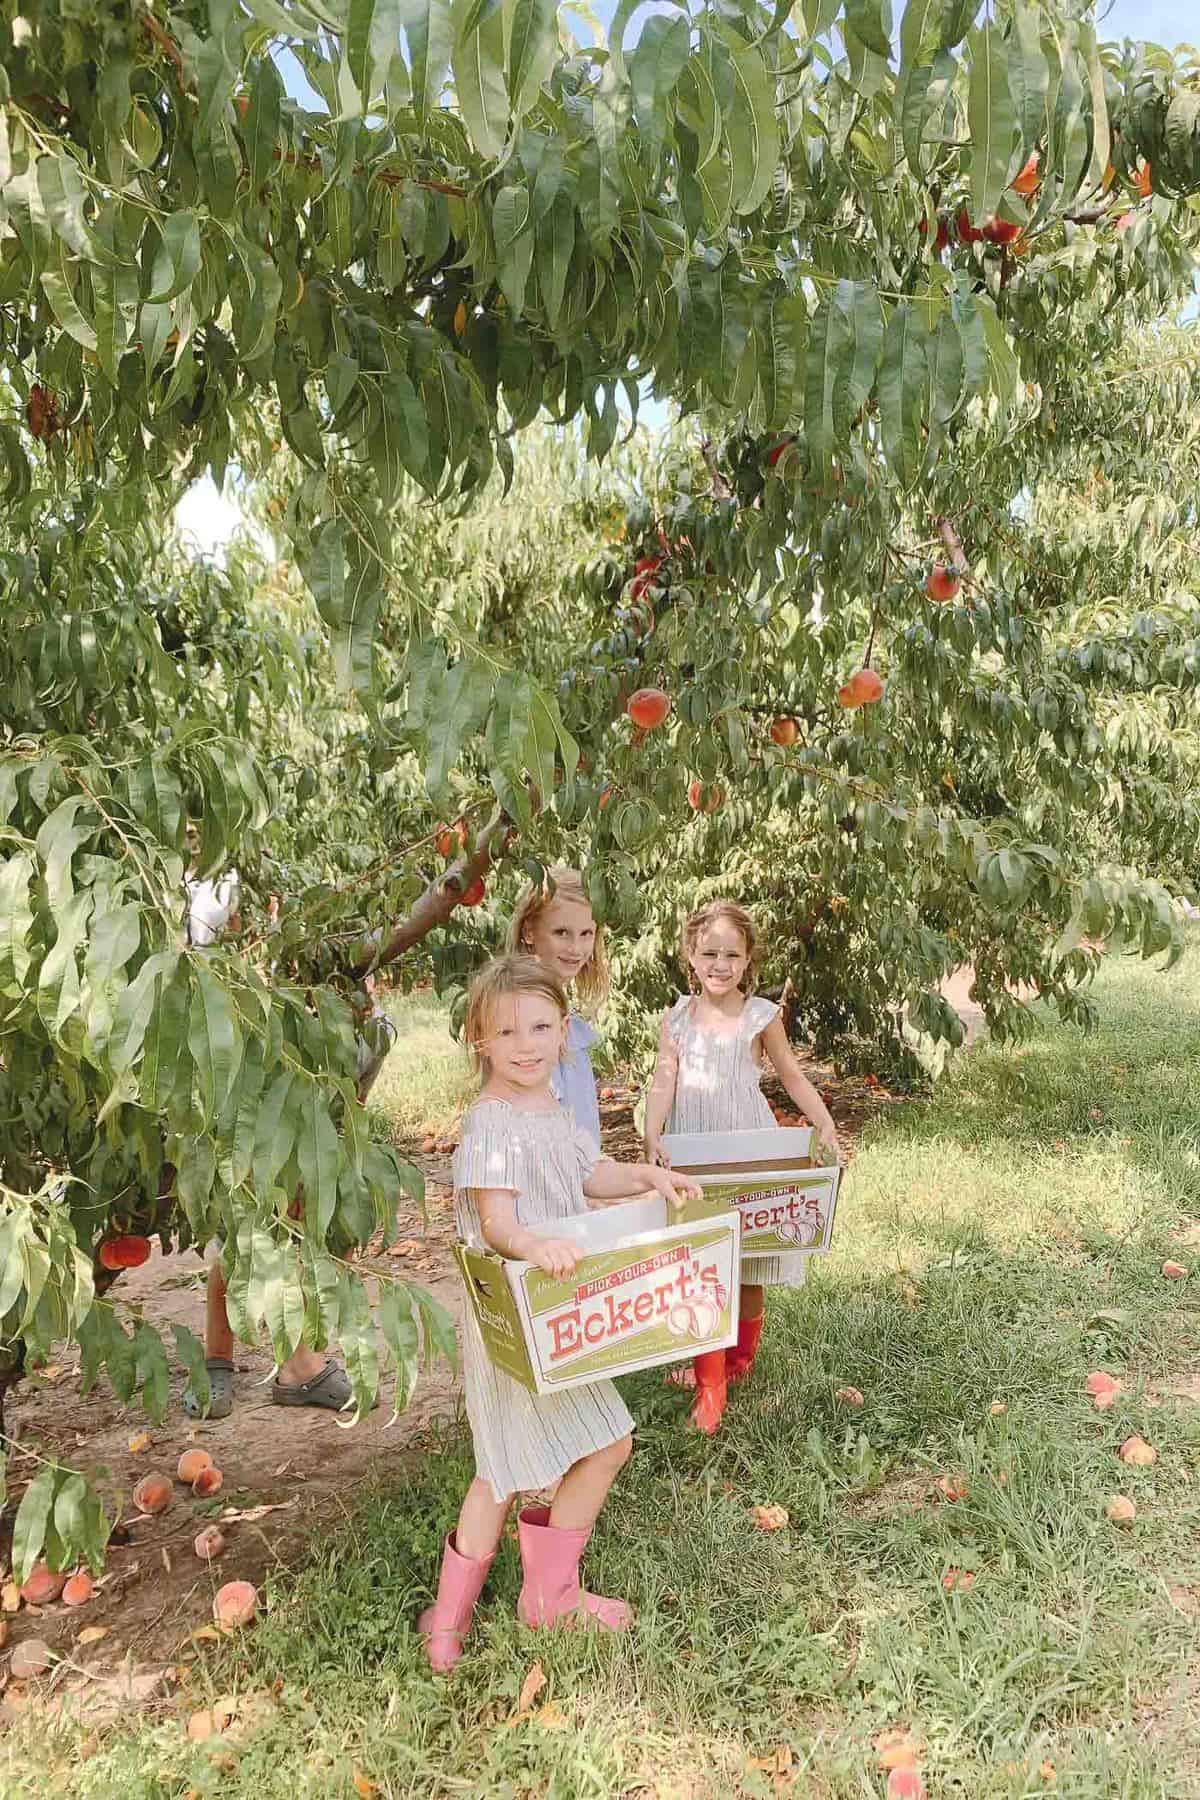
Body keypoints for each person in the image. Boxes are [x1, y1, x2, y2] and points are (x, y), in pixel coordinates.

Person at [418, 954, 699, 1673]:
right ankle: (489, 1610)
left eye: (541, 1026)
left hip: (555, 1308)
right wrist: (535, 1244)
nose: (527, 1044)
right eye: (506, 1031)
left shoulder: (553, 1110)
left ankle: (504, 1606)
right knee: (520, 1466)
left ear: (565, 1029)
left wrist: (641, 1174)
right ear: (479, 1041)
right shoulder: (492, 1124)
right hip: (517, 1312)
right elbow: (499, 1220)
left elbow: (585, 1173)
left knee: (545, 1458)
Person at [181, 860, 394, 1419]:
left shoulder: (368, 1026)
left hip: (317, 1134)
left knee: (317, 1238)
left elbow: (359, 1091)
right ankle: (218, 1367)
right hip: (250, 1127)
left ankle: (301, 1365)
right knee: (239, 1245)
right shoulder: (242, 989)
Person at [642, 901, 840, 1435]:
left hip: (745, 1146)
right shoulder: (678, 1019)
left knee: (749, 1266)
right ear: (690, 954)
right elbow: (663, 1081)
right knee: (699, 1265)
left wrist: (821, 1123)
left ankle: (739, 1359)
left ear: (749, 958)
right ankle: (711, 1387)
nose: (721, 964)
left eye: (732, 954)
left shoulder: (760, 1016)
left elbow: (792, 1076)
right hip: (694, 1154)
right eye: (710, 953)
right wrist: (652, 1132)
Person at [506, 867, 608, 1149]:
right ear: (529, 931)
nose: (576, 948)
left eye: (586, 933)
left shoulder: (563, 1017)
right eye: (562, 932)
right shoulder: (522, 1017)